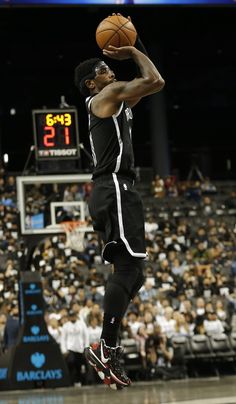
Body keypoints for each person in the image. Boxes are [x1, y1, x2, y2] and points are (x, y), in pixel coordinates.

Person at [74, 13, 165, 389]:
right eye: (104, 68)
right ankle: (106, 348)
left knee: (134, 272)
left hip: (114, 189)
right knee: (129, 271)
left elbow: (147, 85)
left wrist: (136, 43)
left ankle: (106, 347)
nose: (110, 71)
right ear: (90, 83)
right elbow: (155, 81)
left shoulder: (119, 102)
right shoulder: (104, 96)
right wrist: (131, 48)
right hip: (114, 186)